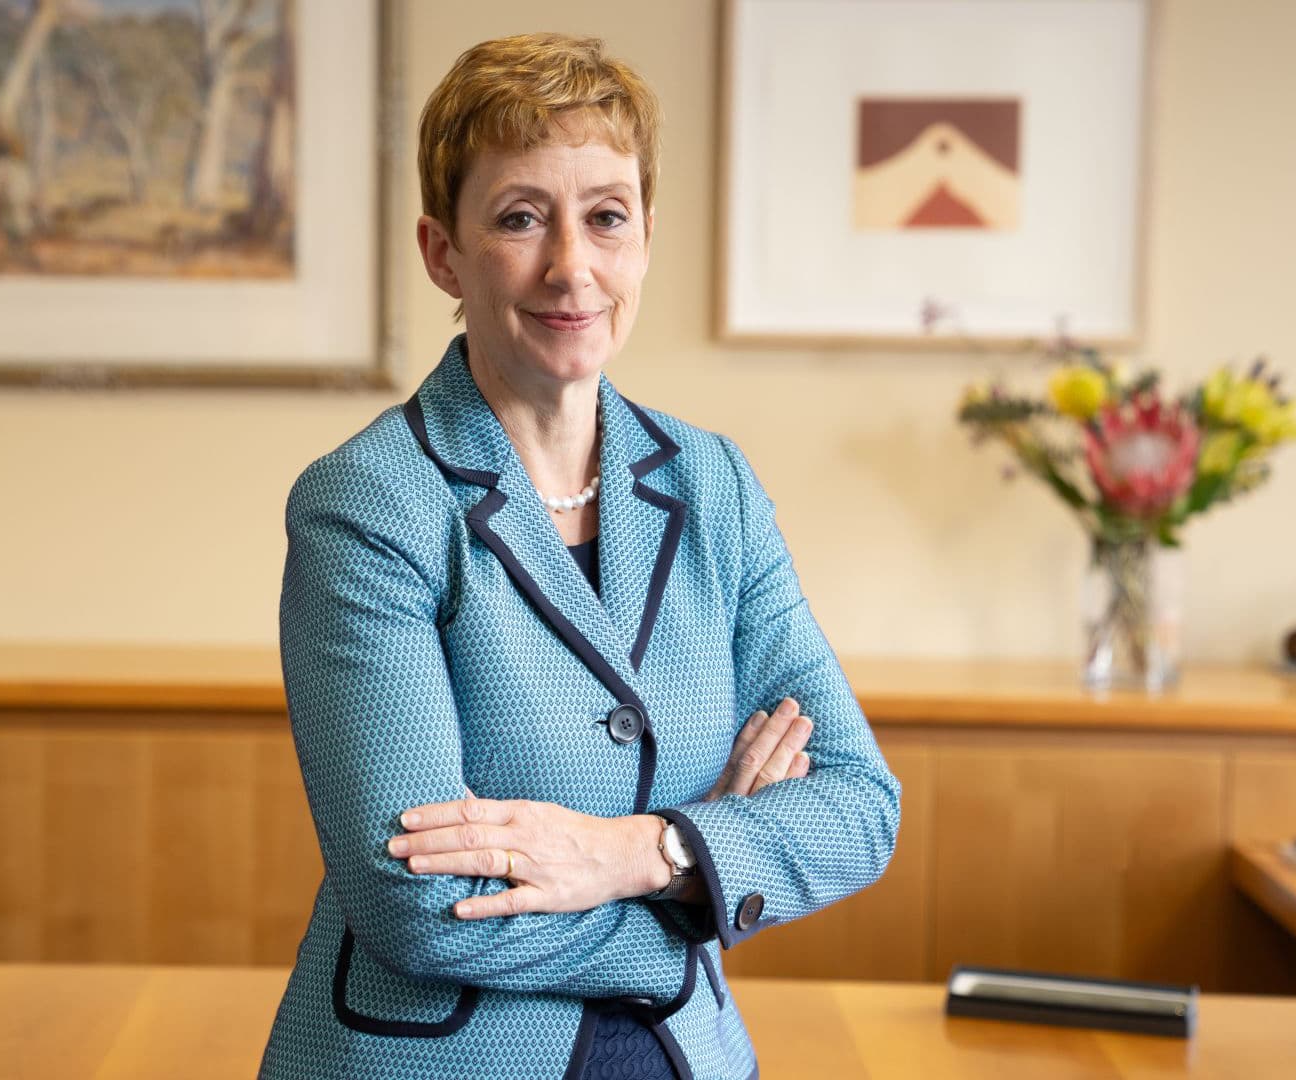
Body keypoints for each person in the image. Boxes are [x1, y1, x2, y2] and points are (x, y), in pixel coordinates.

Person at [258, 33, 901, 1080]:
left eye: (606, 216)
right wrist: (696, 889)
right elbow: (419, 906)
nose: (573, 267)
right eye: (520, 218)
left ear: (645, 237)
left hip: (684, 1058)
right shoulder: (369, 506)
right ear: (442, 253)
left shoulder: (714, 485)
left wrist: (633, 852)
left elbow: (858, 804)